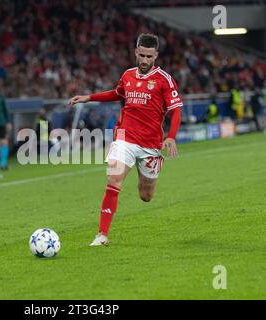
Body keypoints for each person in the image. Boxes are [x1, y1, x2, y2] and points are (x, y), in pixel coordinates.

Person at [69, 33, 182, 246]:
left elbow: (176, 111)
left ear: (156, 55)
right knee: (114, 180)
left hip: (150, 144)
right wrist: (89, 97)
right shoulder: (128, 75)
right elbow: (117, 93)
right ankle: (102, 235)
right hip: (124, 138)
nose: (145, 61)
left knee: (146, 196)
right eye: (142, 55)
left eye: (149, 56)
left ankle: (153, 167)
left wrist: (172, 137)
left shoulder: (164, 80)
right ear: (136, 52)